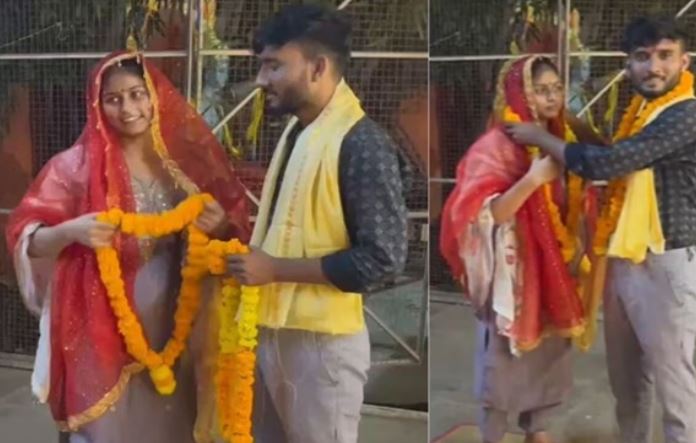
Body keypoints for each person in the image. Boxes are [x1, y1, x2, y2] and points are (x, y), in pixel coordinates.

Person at [6, 51, 250, 443]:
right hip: (98, 326)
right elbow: (26, 238)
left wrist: (219, 223)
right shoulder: (75, 168)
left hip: (175, 323)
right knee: (104, 427)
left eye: (137, 94)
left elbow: (231, 234)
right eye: (114, 99)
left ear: (155, 96)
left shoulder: (186, 164)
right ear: (96, 105)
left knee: (170, 422)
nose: (128, 109)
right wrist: (71, 231)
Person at [504, 15, 696, 443]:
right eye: (642, 57)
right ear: (629, 64)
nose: (653, 67)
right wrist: (570, 123)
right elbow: (617, 151)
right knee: (628, 385)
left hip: (665, 265)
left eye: (665, 56)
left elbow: (608, 164)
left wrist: (541, 137)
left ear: (684, 62)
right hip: (623, 259)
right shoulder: (644, 110)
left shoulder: (687, 113)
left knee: (678, 391)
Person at [223, 4, 408, 443]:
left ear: (318, 68)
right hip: (275, 331)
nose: (262, 80)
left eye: (274, 66)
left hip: (323, 348)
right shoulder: (299, 131)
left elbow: (382, 260)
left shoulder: (362, 142)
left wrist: (275, 270)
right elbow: (288, 231)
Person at [440, 55, 599, 443]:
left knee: (550, 357)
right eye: (540, 90)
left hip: (556, 268)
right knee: (503, 363)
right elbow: (485, 215)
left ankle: (537, 429)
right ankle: (492, 434)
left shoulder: (563, 139)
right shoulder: (494, 147)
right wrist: (532, 180)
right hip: (514, 276)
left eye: (557, 89)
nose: (552, 98)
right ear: (519, 93)